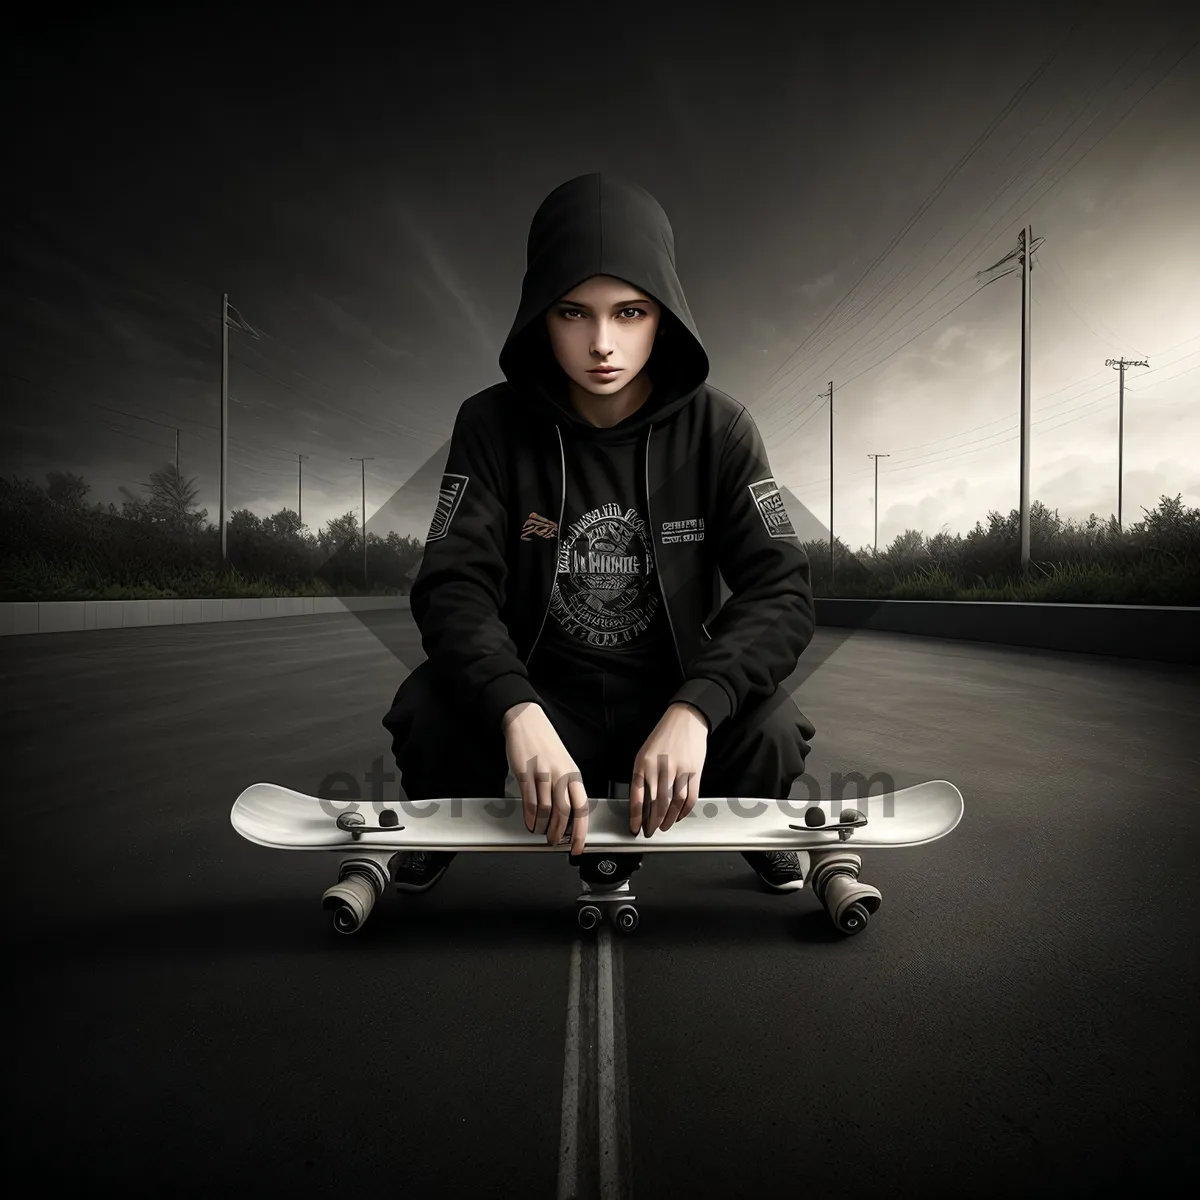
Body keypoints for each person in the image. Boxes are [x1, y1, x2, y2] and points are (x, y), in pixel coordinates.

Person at [382, 172, 817, 896]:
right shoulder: (489, 426)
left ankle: (756, 823)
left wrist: (697, 707)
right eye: (574, 313)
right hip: (548, 700)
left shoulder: (722, 428)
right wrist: (516, 709)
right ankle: (442, 825)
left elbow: (781, 587)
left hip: (669, 696)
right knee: (427, 709)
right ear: (540, 316)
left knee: (774, 730)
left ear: (664, 314)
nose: (602, 344)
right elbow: (452, 584)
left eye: (630, 313)